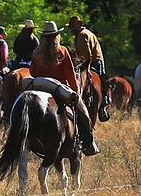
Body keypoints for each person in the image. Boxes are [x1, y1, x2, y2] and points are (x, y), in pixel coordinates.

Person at [30, 21, 100, 156]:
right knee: (82, 110)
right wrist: (76, 92)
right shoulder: (62, 51)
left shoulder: (37, 53)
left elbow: (33, 72)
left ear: (43, 37)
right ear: (56, 36)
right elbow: (70, 74)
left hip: (39, 85)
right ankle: (88, 141)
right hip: (58, 87)